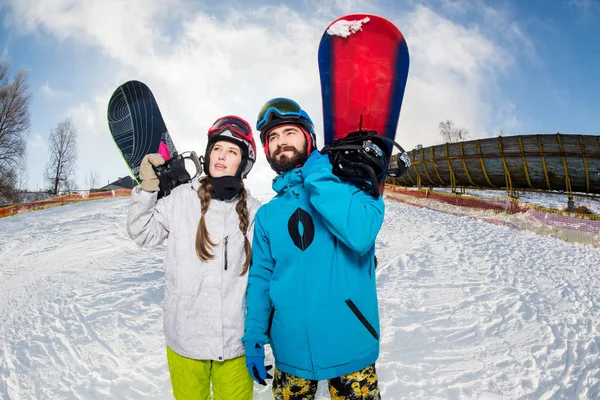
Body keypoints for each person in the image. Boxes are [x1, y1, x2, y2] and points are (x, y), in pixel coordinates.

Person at [242, 98, 385, 399]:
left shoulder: (355, 188)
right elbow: (261, 279)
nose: (281, 142)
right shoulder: (268, 215)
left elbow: (360, 236)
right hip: (291, 351)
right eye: (273, 137)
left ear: (309, 139)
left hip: (351, 347)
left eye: (289, 132)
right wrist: (255, 334)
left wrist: (319, 176)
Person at [127, 115, 262, 400]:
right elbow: (142, 233)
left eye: (232, 152)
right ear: (207, 154)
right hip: (185, 341)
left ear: (244, 164)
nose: (222, 157)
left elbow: (267, 273)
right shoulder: (180, 199)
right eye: (217, 149)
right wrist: (149, 189)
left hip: (235, 345)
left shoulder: (255, 212)